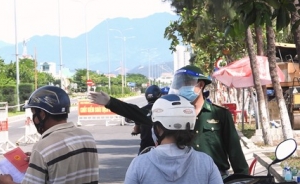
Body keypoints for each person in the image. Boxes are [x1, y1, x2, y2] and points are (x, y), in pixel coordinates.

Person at [89, 65, 249, 175]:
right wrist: (111, 102)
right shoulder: (171, 112)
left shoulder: (220, 114)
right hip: (184, 178)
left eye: (186, 83)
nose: (181, 88)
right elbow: (138, 113)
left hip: (217, 177)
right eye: (179, 84)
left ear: (200, 85)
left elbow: (235, 152)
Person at [130, 85, 162, 153]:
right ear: (159, 95)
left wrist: (135, 132)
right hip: (160, 147)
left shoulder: (141, 111)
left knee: (138, 162)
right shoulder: (163, 109)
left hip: (145, 148)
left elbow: (136, 129)